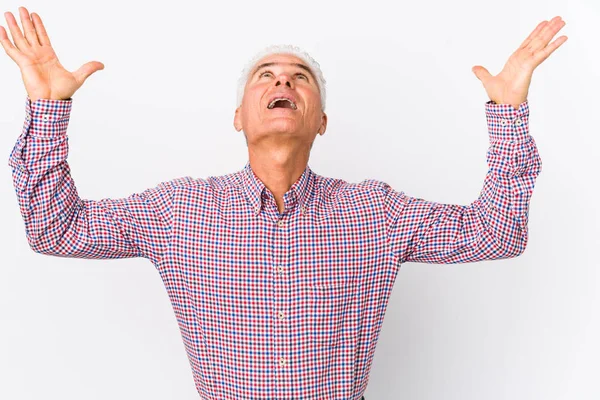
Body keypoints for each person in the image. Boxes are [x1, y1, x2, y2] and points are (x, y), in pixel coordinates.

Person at [1, 6, 567, 400]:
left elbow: (497, 234)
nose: (284, 83)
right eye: (266, 77)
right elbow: (57, 231)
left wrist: (509, 111)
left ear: (320, 120)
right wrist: (49, 109)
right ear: (239, 117)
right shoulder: (177, 212)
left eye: (300, 79)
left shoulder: (375, 213)